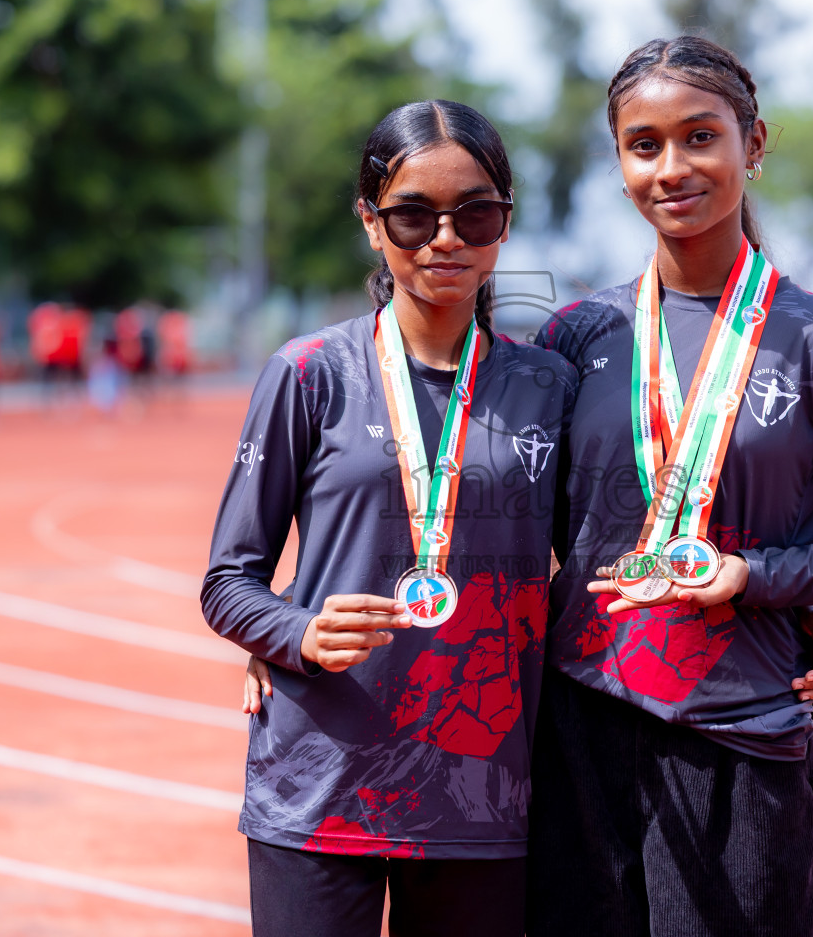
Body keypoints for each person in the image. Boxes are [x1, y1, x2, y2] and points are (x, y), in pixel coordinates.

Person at [525, 36, 813, 937]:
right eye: (644, 144)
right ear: (621, 163)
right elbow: (507, 526)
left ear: (753, 145)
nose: (672, 167)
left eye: (699, 137)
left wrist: (764, 581)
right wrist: (282, 630)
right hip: (580, 720)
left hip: (744, 727)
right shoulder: (574, 336)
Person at [202, 100, 578, 937]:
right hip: (321, 783)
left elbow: (602, 567)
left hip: (484, 791)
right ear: (372, 224)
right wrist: (293, 635)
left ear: (504, 226)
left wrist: (781, 613)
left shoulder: (549, 387)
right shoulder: (307, 374)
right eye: (412, 215)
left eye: (474, 213)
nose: (444, 239)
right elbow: (229, 582)